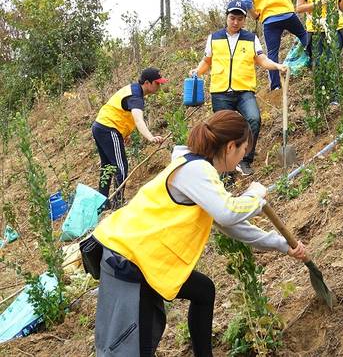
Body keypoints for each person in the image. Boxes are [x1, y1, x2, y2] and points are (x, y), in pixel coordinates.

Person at [92, 110, 307, 356]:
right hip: (131, 260)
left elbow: (230, 224)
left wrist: (282, 244)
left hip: (148, 259)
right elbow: (228, 213)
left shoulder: (202, 173)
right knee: (129, 349)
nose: (241, 160)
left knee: (203, 291)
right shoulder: (195, 170)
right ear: (229, 147)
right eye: (243, 151)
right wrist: (254, 196)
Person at [189, 0, 288, 176]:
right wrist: (198, 71)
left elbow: (262, 59)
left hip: (244, 91)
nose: (235, 22)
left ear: (244, 20)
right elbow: (207, 61)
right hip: (220, 92)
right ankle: (224, 169)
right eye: (232, 18)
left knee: (253, 119)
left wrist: (278, 66)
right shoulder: (214, 38)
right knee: (221, 130)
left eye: (240, 19)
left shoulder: (251, 39)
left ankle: (245, 160)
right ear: (226, 17)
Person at [92, 67, 166, 207]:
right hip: (108, 128)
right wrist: (150, 137)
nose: (159, 86)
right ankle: (117, 203)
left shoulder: (134, 90)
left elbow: (121, 111)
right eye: (157, 83)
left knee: (107, 166)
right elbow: (138, 120)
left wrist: (124, 133)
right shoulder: (136, 96)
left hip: (101, 127)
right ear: (147, 83)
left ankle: (102, 202)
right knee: (120, 167)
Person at [242, 0, 308, 90]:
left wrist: (255, 15)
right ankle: (318, 62)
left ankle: (276, 86)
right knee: (303, 35)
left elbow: (247, 2)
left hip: (269, 20)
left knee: (272, 53)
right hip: (288, 14)